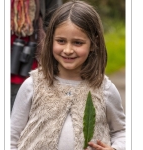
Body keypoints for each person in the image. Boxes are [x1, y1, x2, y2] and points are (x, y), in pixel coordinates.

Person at [11, 0, 125, 150]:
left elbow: (121, 131)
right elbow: (12, 135)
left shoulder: (104, 89)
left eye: (77, 43)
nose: (68, 50)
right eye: (61, 41)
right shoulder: (32, 85)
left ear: (94, 43)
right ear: (50, 39)